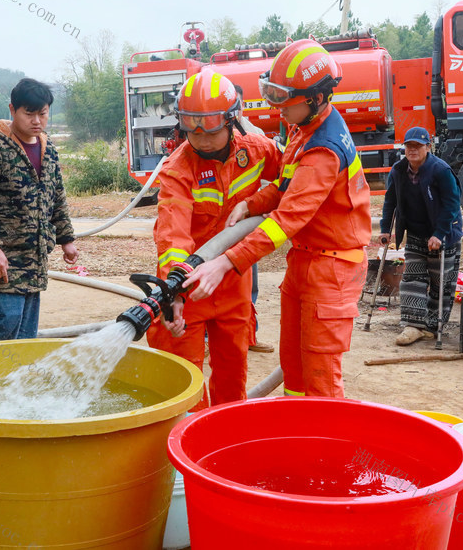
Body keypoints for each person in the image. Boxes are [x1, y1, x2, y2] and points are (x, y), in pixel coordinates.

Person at [184, 39, 371, 398]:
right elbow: (287, 184)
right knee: (294, 365)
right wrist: (252, 204)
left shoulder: (323, 151)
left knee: (319, 373)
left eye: (286, 99)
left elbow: (286, 220)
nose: (277, 106)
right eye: (273, 93)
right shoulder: (307, 129)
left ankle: (322, 448)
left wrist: (226, 262)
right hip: (306, 259)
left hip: (332, 269)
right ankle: (295, 434)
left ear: (316, 98)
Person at [149, 69, 282, 410]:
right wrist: (173, 293)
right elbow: (172, 235)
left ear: (232, 121)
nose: (202, 140)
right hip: (189, 284)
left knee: (232, 371)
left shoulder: (256, 151)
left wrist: (257, 204)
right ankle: (191, 448)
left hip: (233, 279)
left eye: (210, 131)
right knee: (183, 382)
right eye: (193, 131)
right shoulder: (178, 170)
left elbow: (291, 178)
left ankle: (226, 433)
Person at [0, 78, 77, 342]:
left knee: (26, 333)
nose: (36, 120)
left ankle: (15, 383)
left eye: (42, 113)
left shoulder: (48, 149)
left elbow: (56, 196)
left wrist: (67, 238)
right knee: (6, 321)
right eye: (29, 113)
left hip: (34, 256)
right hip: (2, 255)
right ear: (12, 110)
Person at [378, 126, 463, 346]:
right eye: (409, 146)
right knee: (413, 278)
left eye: (418, 145)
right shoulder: (398, 170)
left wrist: (440, 234)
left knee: (440, 282)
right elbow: (390, 201)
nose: (413, 150)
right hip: (416, 232)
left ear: (428, 147)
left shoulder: (440, 170)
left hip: (443, 233)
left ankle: (434, 328)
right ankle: (413, 325)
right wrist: (385, 228)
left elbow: (452, 205)